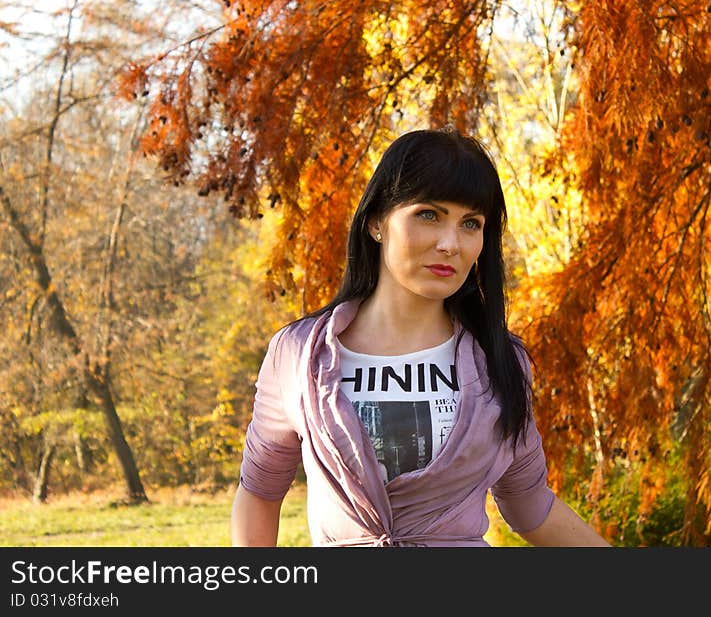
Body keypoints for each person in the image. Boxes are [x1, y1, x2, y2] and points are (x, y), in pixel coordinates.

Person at [230, 127, 611, 547]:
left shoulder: (499, 359)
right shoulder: (300, 354)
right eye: (429, 214)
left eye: (471, 223)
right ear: (377, 221)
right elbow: (260, 493)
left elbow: (528, 502)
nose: (451, 243)